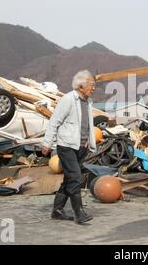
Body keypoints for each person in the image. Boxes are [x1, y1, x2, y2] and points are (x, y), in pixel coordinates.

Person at [42, 70, 97, 225]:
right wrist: (47, 143)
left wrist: (89, 143)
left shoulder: (88, 102)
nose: (93, 88)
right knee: (76, 178)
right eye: (91, 85)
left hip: (82, 147)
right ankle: (79, 212)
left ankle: (57, 210)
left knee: (69, 179)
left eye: (94, 85)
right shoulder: (68, 99)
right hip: (66, 146)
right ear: (80, 86)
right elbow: (55, 121)